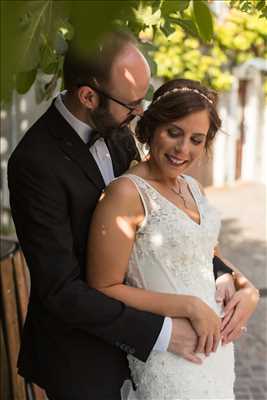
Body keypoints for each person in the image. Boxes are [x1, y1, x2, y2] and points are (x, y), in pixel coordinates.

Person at [8, 30, 258, 400]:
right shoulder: (35, 162)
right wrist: (167, 332)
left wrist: (231, 280)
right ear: (88, 96)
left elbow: (162, 226)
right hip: (82, 358)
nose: (141, 113)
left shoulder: (117, 130)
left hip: (154, 352)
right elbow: (61, 291)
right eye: (132, 103)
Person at [87, 78, 260, 399]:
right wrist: (190, 306)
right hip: (173, 355)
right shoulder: (126, 193)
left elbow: (207, 254)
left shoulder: (192, 187)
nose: (184, 150)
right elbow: (103, 287)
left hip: (216, 352)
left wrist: (245, 287)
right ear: (151, 127)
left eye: (197, 139)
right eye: (174, 133)